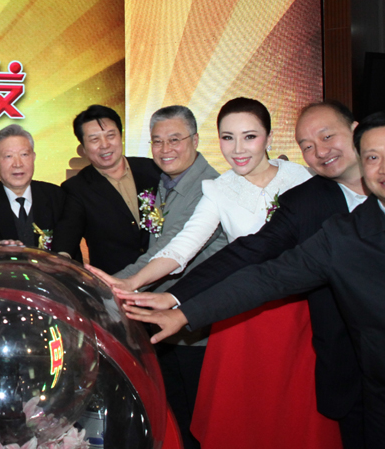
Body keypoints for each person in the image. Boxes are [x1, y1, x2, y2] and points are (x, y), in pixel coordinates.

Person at [125, 109, 385, 449]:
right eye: (373, 157)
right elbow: (263, 269)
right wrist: (180, 308)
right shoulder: (343, 233)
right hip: (383, 388)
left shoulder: (299, 180)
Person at [93, 97, 340, 449]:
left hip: (302, 313)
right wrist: (132, 282)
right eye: (227, 138)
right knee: (243, 416)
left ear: (269, 138)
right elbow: (182, 246)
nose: (237, 149)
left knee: (298, 412)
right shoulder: (218, 189)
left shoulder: (303, 178)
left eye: (249, 137)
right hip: (241, 310)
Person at [106, 105, 227, 449]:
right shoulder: (167, 182)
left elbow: (166, 252)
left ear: (195, 140)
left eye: (175, 139)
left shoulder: (206, 187)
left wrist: (106, 285)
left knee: (198, 423)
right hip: (166, 327)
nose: (165, 149)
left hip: (197, 329)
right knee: (174, 418)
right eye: (157, 141)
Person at [52, 104, 161, 272]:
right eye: (94, 139)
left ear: (120, 136)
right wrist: (62, 257)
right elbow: (69, 228)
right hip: (115, 280)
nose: (105, 145)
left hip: (166, 275)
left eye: (111, 135)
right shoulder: (76, 188)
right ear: (83, 147)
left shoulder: (153, 170)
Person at [0, 124, 65, 249]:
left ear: (33, 157)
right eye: (8, 156)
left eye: (24, 154)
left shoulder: (56, 196)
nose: (18, 164)